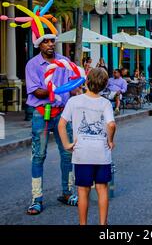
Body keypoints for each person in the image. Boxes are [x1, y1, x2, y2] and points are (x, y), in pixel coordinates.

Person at [25, 34, 78, 215]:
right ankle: (36, 198)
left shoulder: (64, 61)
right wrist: (53, 91)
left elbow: (73, 85)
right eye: (45, 42)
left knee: (67, 153)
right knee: (38, 155)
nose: (50, 44)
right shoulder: (32, 65)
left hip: (62, 113)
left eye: (52, 41)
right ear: (39, 45)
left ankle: (67, 192)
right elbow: (37, 92)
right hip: (41, 113)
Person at [58, 68, 116, 225]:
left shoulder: (74, 101)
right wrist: (110, 140)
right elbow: (111, 125)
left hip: (81, 153)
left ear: (86, 81)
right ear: (104, 85)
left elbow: (61, 124)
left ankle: (83, 223)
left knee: (83, 190)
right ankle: (103, 223)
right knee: (102, 188)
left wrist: (66, 144)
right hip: (101, 153)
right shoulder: (105, 103)